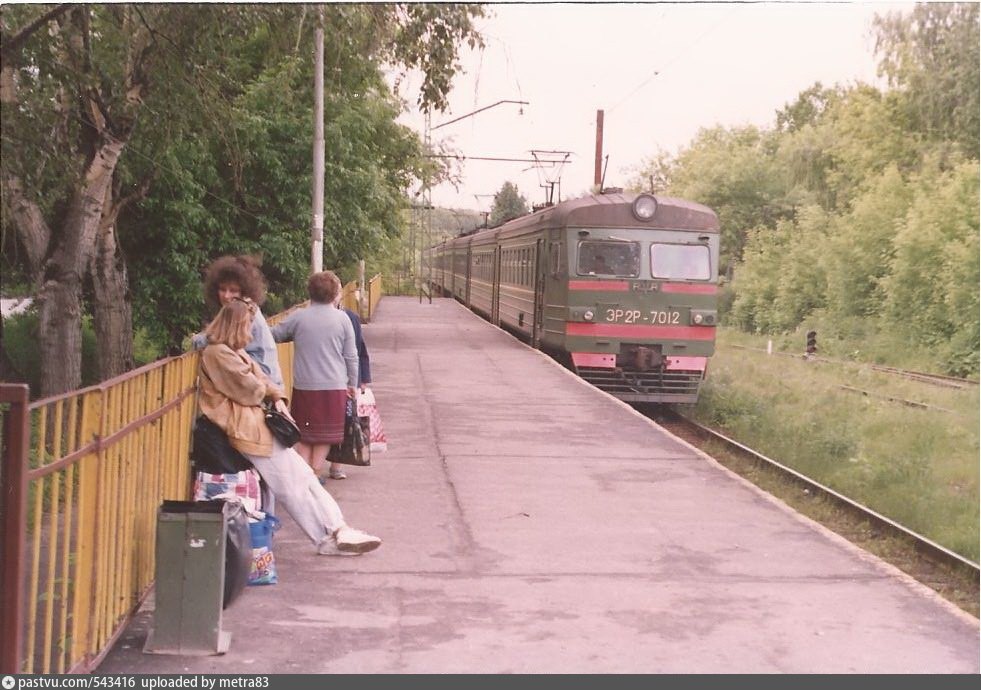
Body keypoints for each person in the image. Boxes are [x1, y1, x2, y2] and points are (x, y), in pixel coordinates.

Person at [198, 296, 380, 555]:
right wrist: (272, 394)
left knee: (304, 477)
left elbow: (260, 378)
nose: (251, 331)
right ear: (236, 325)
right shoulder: (217, 354)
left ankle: (339, 528)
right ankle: (325, 539)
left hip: (256, 427)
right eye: (248, 325)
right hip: (246, 431)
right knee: (291, 486)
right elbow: (249, 389)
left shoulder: (230, 351)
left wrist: (273, 394)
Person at [270, 271, 357, 482]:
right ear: (336, 293)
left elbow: (273, 335)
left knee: (305, 434)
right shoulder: (343, 319)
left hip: (305, 386)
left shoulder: (299, 317)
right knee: (325, 435)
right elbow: (351, 356)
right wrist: (352, 384)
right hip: (335, 386)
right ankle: (315, 472)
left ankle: (304, 474)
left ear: (310, 292)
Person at [192, 255, 283, 389]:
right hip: (262, 382)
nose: (227, 296)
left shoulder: (244, 312)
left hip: (262, 385)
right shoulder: (247, 308)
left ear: (245, 292)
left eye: (233, 291)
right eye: (222, 289)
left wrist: (196, 340)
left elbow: (218, 340)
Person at [324, 292, 373, 480]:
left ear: (340, 294)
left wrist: (362, 378)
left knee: (345, 421)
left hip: (347, 380)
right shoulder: (315, 318)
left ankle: (336, 465)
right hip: (328, 377)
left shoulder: (350, 317)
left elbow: (359, 350)